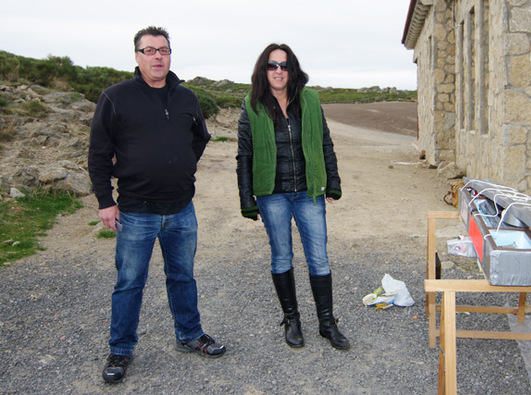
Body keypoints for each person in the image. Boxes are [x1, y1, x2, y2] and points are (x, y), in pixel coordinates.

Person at [88, 26, 226, 383]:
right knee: (130, 282)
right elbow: (98, 153)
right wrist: (105, 200)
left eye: (163, 50)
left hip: (181, 208)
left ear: (170, 55)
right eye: (149, 51)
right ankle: (120, 350)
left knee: (182, 276)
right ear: (137, 57)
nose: (157, 57)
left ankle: (190, 335)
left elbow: (201, 137)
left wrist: (181, 164)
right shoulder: (116, 97)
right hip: (135, 210)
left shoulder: (186, 97)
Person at [236, 43, 350, 350]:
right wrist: (247, 198)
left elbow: (325, 143)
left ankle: (327, 323)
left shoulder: (310, 100)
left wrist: (333, 180)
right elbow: (244, 154)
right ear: (263, 70)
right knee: (281, 256)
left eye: (284, 66)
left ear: (292, 69)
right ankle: (292, 320)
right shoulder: (252, 104)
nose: (278, 71)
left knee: (318, 257)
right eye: (272, 66)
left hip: (308, 193)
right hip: (272, 194)